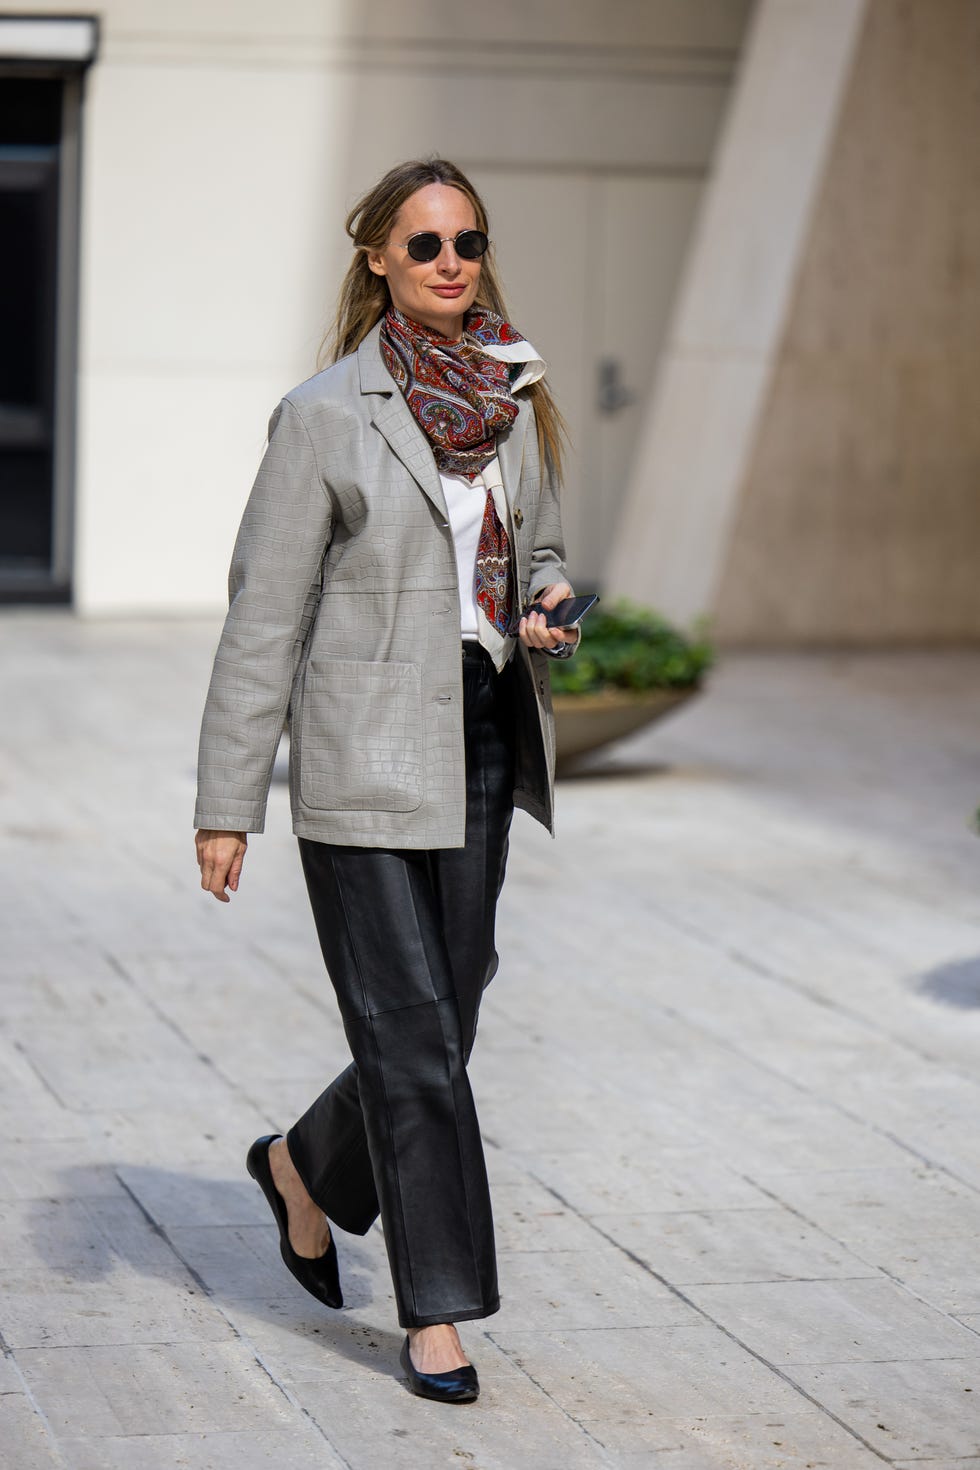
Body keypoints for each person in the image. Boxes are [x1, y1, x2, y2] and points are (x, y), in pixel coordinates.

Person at [194, 157, 578, 1404]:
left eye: (467, 240)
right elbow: (264, 616)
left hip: (473, 740)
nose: (451, 262)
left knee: (449, 1009)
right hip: (362, 758)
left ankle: (305, 1169)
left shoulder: (512, 396)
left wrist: (546, 598)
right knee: (413, 1040)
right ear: (376, 259)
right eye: (424, 245)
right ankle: (440, 1315)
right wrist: (226, 803)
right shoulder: (324, 414)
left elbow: (536, 547)